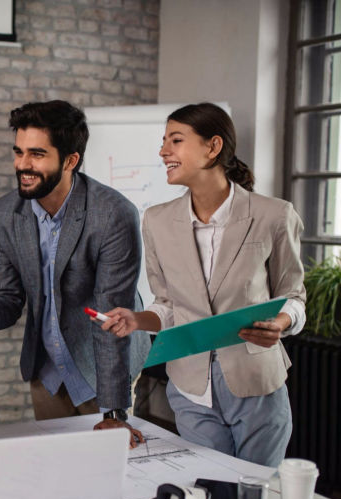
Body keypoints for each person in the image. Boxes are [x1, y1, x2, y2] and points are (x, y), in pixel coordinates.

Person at [0, 100, 150, 446]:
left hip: (103, 370)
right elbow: (7, 298)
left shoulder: (113, 214)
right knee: (57, 479)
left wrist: (113, 413)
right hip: (47, 374)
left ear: (70, 160)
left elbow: (112, 319)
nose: (23, 165)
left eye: (37, 154)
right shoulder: (3, 215)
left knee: (112, 474)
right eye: (18, 152)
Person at [99, 103, 305, 467]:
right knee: (209, 493)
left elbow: (293, 297)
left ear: (212, 147)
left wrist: (282, 323)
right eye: (164, 141)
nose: (164, 151)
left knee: (255, 496)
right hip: (190, 386)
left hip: (256, 382)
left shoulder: (274, 215)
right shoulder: (157, 221)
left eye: (175, 141)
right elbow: (167, 304)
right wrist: (137, 320)